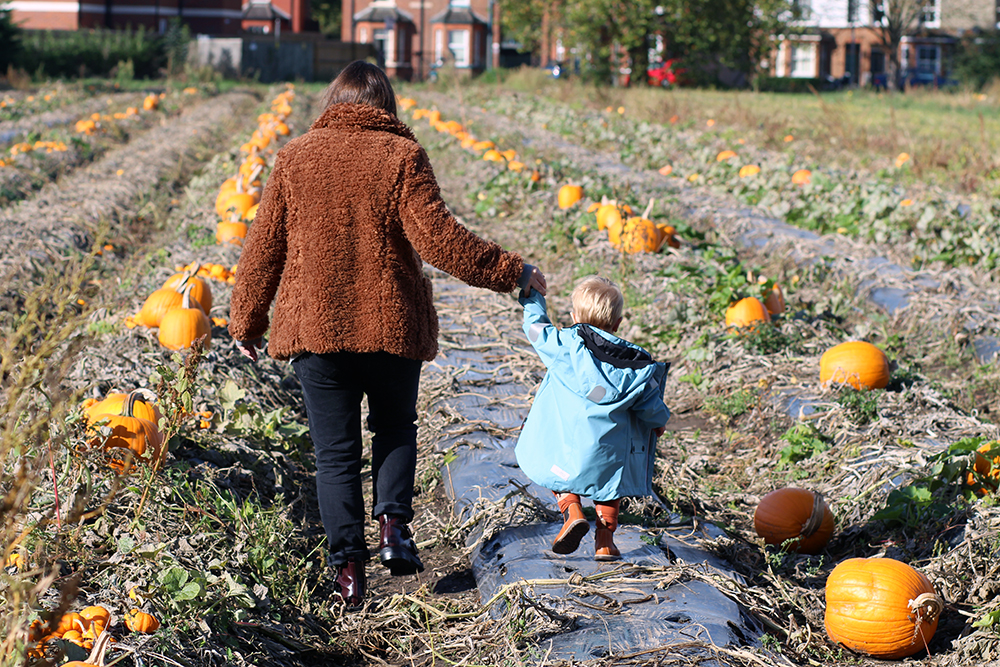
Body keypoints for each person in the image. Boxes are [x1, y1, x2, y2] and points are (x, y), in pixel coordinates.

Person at [227, 61, 546, 608]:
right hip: (389, 324)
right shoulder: (401, 156)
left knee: (334, 455)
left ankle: (349, 571)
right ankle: (394, 528)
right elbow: (441, 240)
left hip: (315, 330)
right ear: (387, 107)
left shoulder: (295, 158)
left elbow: (263, 248)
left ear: (333, 102)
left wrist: (246, 319)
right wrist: (512, 273)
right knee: (396, 427)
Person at [514, 276, 669, 560]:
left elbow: (535, 328)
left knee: (554, 461)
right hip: (609, 455)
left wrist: (533, 298)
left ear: (574, 317)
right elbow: (651, 407)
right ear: (618, 323)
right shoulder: (636, 368)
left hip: (568, 449)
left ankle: (572, 511)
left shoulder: (564, 346)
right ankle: (605, 543)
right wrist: (659, 422)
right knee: (609, 488)